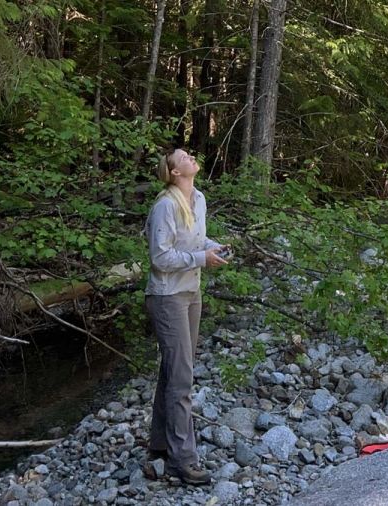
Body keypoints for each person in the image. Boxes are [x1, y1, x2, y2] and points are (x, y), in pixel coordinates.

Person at [144, 148, 228, 485]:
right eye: (184, 157)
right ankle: (183, 460)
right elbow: (159, 257)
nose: (191, 157)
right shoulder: (165, 205)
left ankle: (160, 445)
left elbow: (195, 239)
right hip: (167, 297)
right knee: (182, 379)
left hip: (191, 293)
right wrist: (200, 258)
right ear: (175, 172)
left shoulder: (199, 199)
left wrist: (215, 248)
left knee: (173, 370)